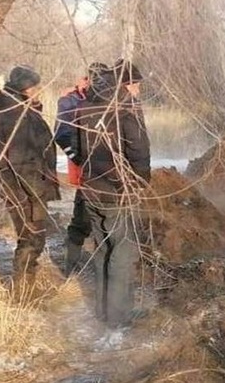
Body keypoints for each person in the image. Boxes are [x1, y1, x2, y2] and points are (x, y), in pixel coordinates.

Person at [70, 60, 151, 326]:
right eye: (136, 84)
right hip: (117, 191)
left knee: (103, 249)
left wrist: (91, 173)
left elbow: (77, 149)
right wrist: (140, 181)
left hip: (91, 189)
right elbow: (139, 149)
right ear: (126, 84)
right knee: (122, 253)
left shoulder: (85, 105)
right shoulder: (126, 107)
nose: (138, 89)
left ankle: (104, 311)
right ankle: (118, 318)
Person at [0, 65, 60, 301]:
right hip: (24, 189)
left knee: (33, 236)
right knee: (31, 237)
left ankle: (26, 286)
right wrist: (36, 193)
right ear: (24, 89)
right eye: (34, 87)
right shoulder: (14, 115)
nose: (38, 91)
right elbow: (20, 161)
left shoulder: (23, 110)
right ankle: (22, 290)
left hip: (28, 186)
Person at [55, 62, 109, 275]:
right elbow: (62, 134)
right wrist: (80, 159)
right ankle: (71, 266)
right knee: (82, 220)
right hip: (86, 171)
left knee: (106, 222)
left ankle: (104, 268)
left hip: (108, 172)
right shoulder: (70, 101)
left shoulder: (109, 98)